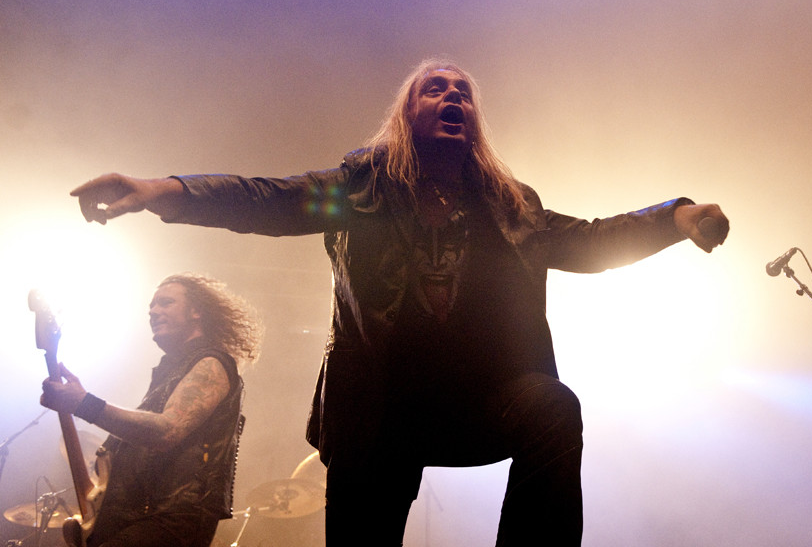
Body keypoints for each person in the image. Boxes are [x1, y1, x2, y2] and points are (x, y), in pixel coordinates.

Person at [69, 58, 729, 546]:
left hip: (480, 401)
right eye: (434, 87)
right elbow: (269, 199)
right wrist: (163, 191)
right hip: (378, 413)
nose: (452, 95)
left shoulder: (511, 207)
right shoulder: (360, 192)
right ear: (407, 115)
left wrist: (675, 217)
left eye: (463, 91)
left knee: (553, 407)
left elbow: (590, 241)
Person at [39, 273, 263, 547]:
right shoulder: (168, 375)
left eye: (166, 303)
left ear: (196, 312)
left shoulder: (212, 363)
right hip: (135, 519)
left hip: (170, 521)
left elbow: (168, 431)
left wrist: (84, 403)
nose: (154, 312)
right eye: (151, 307)